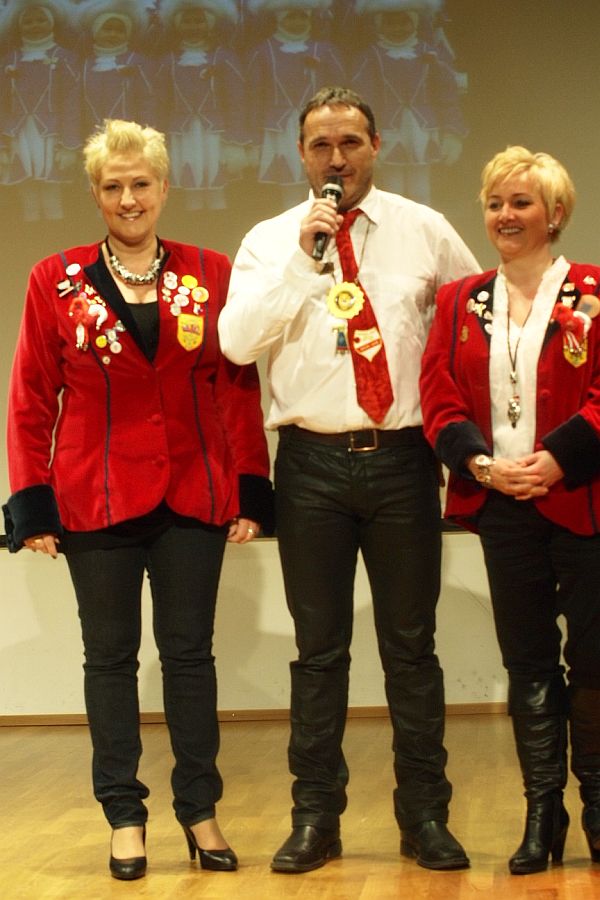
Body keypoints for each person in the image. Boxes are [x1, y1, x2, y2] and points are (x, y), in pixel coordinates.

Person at [218, 85, 480, 873]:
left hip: (402, 460)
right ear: (301, 154)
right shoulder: (271, 240)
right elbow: (235, 343)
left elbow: (472, 324)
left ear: (376, 147)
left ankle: (424, 816)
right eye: (321, 145)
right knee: (319, 653)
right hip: (310, 466)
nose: (337, 159)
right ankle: (315, 817)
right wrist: (305, 259)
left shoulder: (424, 229)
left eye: (351, 143)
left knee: (412, 649)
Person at [3, 119, 273, 880]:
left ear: (164, 188)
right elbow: (31, 397)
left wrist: (251, 487)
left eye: (141, 184)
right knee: (109, 659)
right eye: (113, 186)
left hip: (193, 492)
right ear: (95, 193)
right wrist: (31, 503)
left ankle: (200, 809)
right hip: (94, 497)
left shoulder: (210, 271)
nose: (129, 199)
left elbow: (235, 386)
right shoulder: (52, 279)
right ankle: (124, 815)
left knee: (190, 656)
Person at [420, 146, 600, 874]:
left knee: (594, 662)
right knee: (527, 663)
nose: (504, 216)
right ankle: (542, 813)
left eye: (520, 203)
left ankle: (598, 805)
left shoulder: (593, 290)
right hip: (501, 507)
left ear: (554, 214)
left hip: (583, 501)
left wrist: (558, 458)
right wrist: (482, 466)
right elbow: (438, 398)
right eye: (495, 203)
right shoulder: (459, 300)